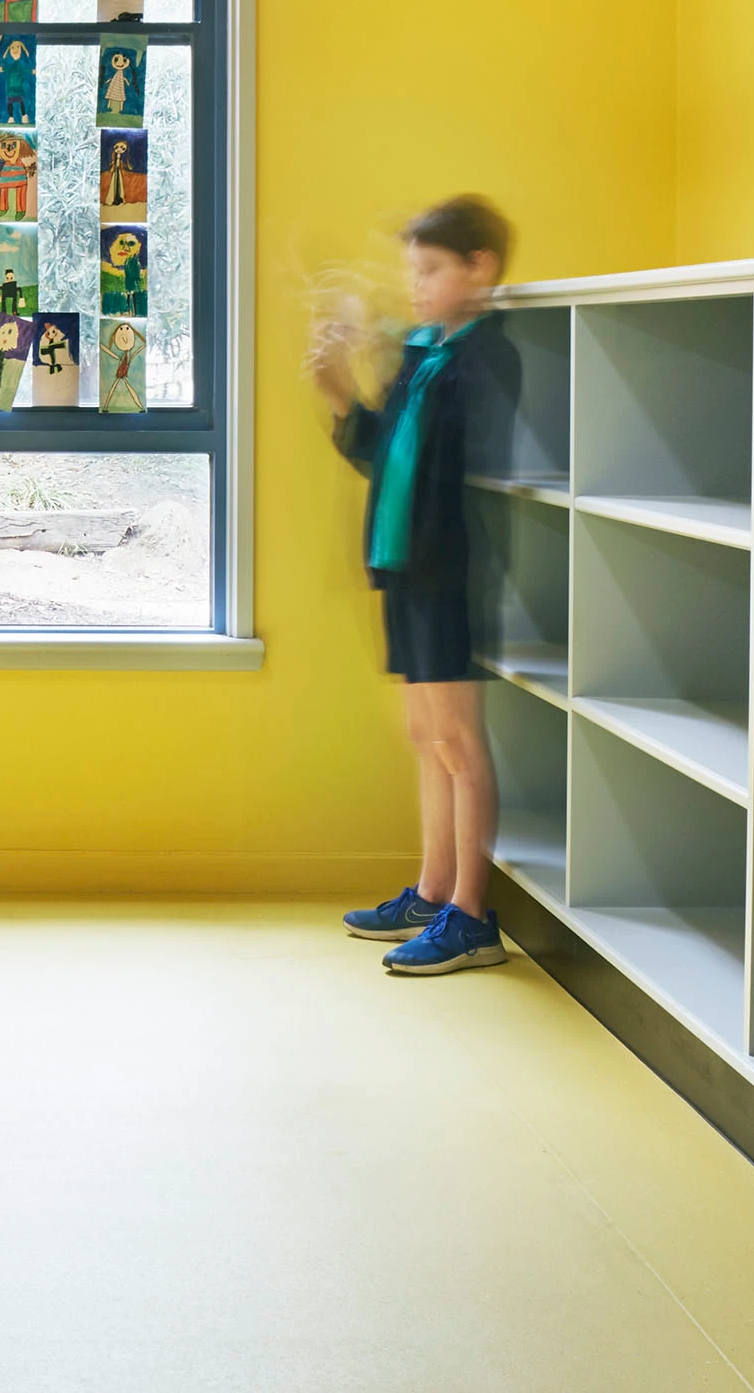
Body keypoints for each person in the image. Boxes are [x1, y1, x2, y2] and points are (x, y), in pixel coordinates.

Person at [312, 194, 521, 977]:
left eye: (430, 269)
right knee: (425, 738)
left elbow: (459, 460)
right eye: (412, 269)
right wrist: (339, 384)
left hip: (449, 570)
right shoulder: (426, 352)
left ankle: (472, 915)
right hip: (402, 563)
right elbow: (381, 449)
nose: (417, 283)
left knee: (460, 744)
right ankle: (434, 892)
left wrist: (384, 342)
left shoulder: (483, 357)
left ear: (480, 269)